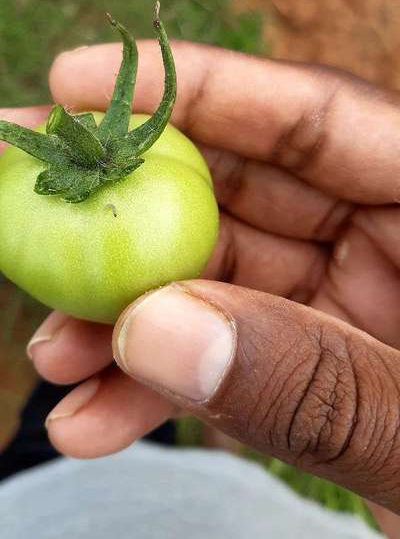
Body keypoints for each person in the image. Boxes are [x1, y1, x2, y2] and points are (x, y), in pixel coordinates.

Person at [2, 37, 400, 537]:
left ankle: (175, 396)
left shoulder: (19, 203)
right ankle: (193, 419)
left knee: (51, 434)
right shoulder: (167, 169)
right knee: (73, 421)